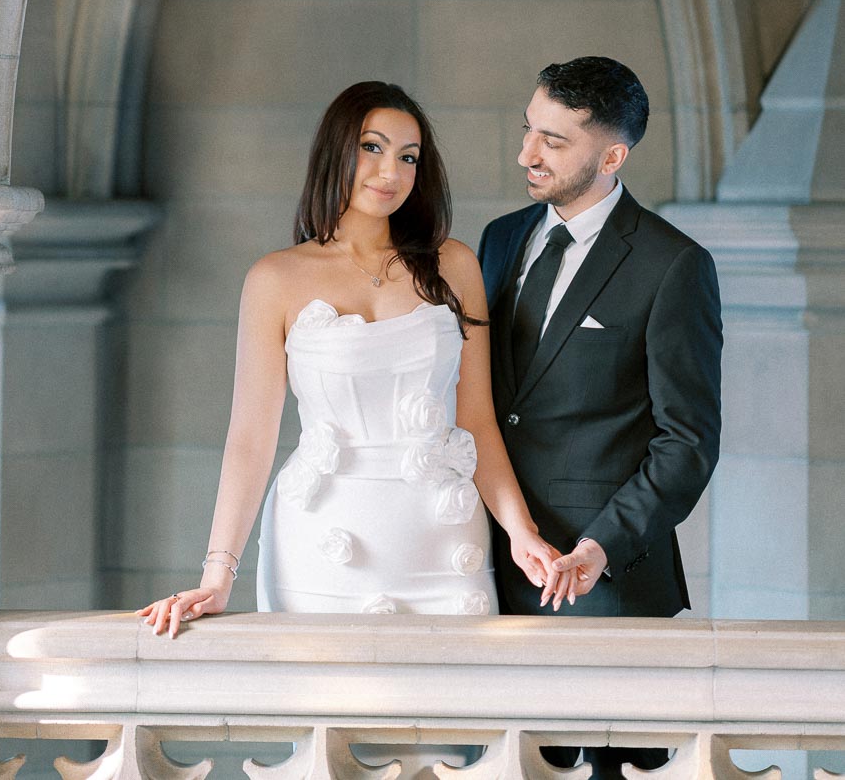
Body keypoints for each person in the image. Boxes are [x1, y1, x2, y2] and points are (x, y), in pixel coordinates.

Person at [139, 80, 555, 635]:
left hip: (443, 534)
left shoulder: (453, 264)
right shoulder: (275, 278)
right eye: (372, 147)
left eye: (409, 157)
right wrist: (218, 575)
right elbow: (250, 438)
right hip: (322, 535)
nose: (391, 172)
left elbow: (476, 419)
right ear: (336, 149)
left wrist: (520, 531)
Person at [478, 57, 722, 780]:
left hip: (607, 586)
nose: (527, 154)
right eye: (529, 131)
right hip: (488, 571)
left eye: (553, 141)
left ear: (612, 156)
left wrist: (600, 547)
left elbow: (689, 444)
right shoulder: (497, 239)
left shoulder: (674, 265)